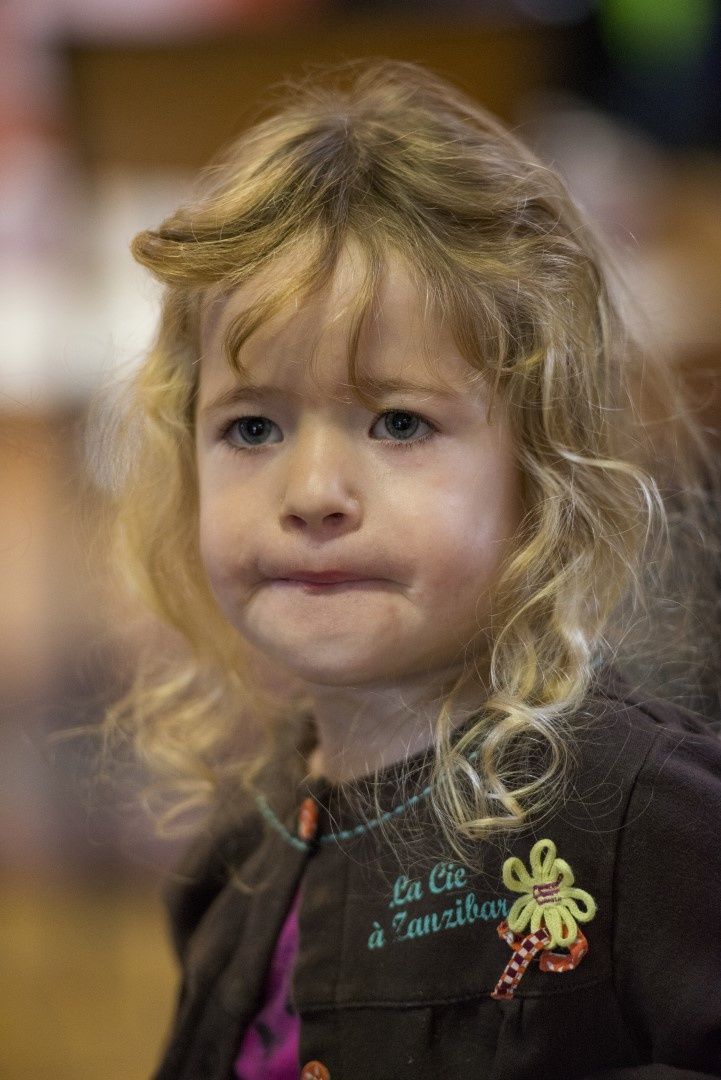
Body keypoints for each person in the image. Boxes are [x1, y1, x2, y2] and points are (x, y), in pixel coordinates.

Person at [87, 58, 721, 1079]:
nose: (313, 491)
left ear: (538, 467)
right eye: (252, 427)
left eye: (397, 422)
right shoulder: (233, 863)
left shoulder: (647, 818)